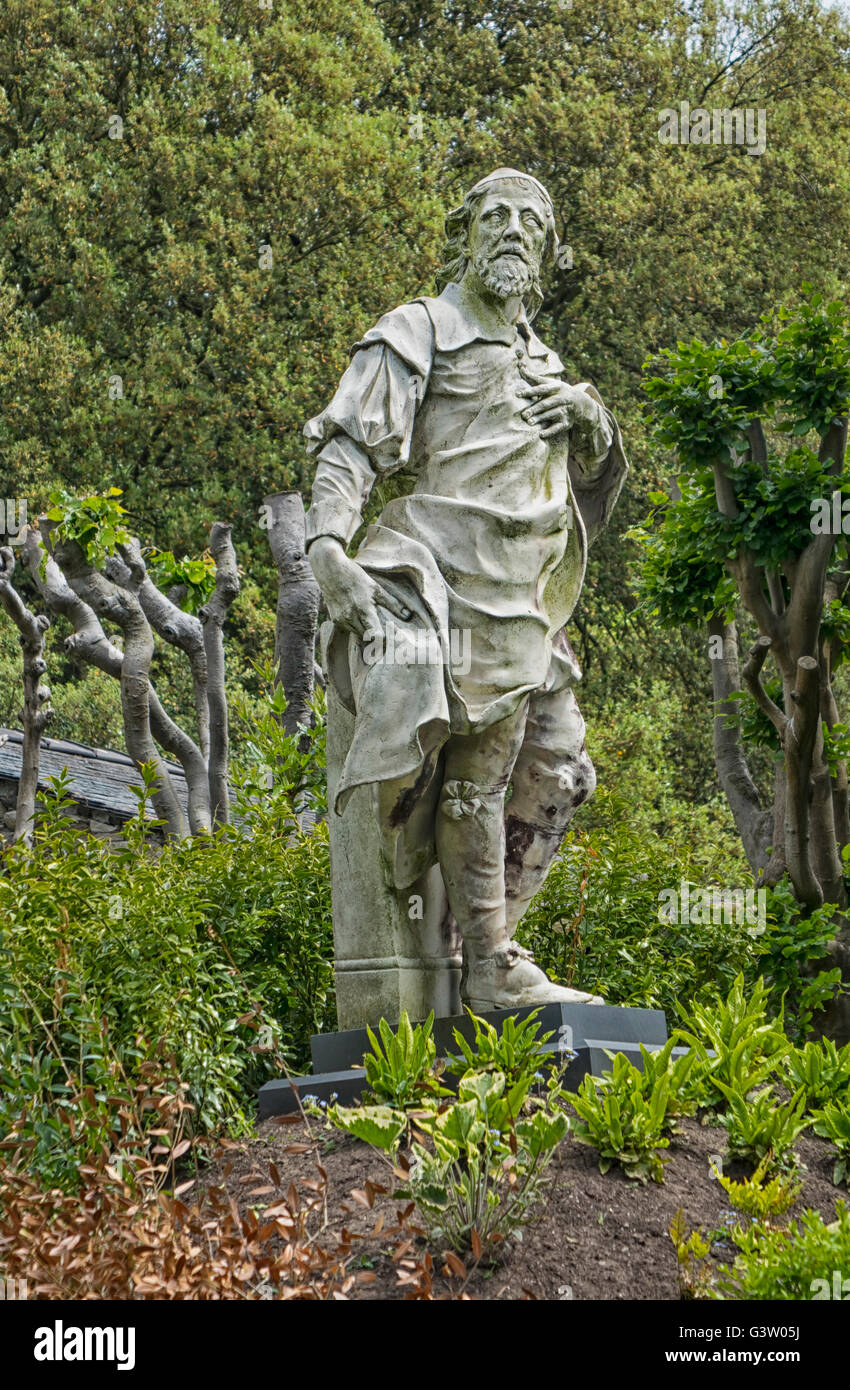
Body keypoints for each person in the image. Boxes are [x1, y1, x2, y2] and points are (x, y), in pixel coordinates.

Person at [305, 169, 627, 1009]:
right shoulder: (422, 328)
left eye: (530, 220)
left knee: (559, 770)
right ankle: (489, 966)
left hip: (531, 605)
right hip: (452, 583)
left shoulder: (546, 361)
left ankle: (476, 942)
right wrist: (329, 548)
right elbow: (349, 445)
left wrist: (595, 429)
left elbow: (581, 483)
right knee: (474, 782)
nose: (513, 230)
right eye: (495, 216)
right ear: (466, 233)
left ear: (550, 250)